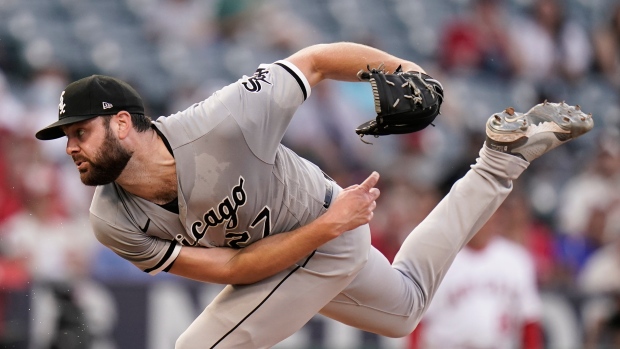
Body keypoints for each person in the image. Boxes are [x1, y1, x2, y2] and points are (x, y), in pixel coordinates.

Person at [34, 42, 593, 348]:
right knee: (403, 310)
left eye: (80, 132)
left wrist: (406, 71)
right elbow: (235, 265)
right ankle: (501, 160)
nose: (71, 148)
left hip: (327, 232)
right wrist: (329, 228)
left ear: (125, 123)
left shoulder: (222, 121)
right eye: (66, 137)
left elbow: (317, 61)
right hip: (314, 237)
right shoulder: (111, 218)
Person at [409, 195, 543, 349]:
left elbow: (529, 319)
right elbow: (417, 322)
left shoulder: (516, 259)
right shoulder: (439, 260)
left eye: (488, 212)